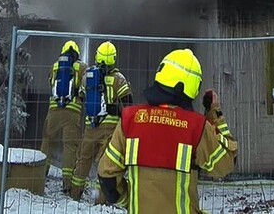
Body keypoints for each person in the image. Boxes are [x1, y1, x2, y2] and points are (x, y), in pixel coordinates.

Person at [98, 48, 238, 213]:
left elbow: (107, 176)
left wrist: (131, 201)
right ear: (192, 85)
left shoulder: (130, 119)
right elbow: (226, 164)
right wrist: (215, 114)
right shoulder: (196, 126)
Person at [70, 41, 132, 202]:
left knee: (83, 160)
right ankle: (100, 199)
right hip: (109, 129)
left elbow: (81, 97)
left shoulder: (87, 77)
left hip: (90, 127)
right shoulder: (119, 79)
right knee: (105, 162)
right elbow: (128, 104)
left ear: (97, 56)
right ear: (114, 58)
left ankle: (75, 194)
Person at [39, 40, 85, 194]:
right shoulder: (82, 67)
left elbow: (50, 82)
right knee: (70, 146)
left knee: (47, 142)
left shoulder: (55, 66)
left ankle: (40, 176)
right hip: (72, 112)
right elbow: (86, 87)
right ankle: (67, 184)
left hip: (53, 111)